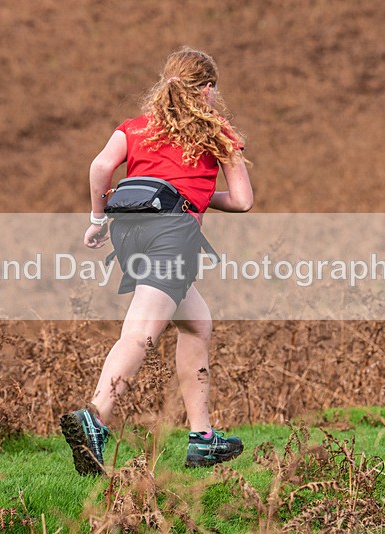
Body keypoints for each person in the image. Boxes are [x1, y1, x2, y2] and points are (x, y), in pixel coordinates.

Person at [60, 46, 253, 476]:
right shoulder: (217, 133)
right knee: (142, 332)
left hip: (129, 233)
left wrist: (96, 220)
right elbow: (242, 201)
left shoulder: (135, 128)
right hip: (172, 235)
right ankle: (96, 416)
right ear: (207, 89)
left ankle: (203, 439)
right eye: (212, 89)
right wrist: (199, 195)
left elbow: (100, 167)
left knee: (196, 324)